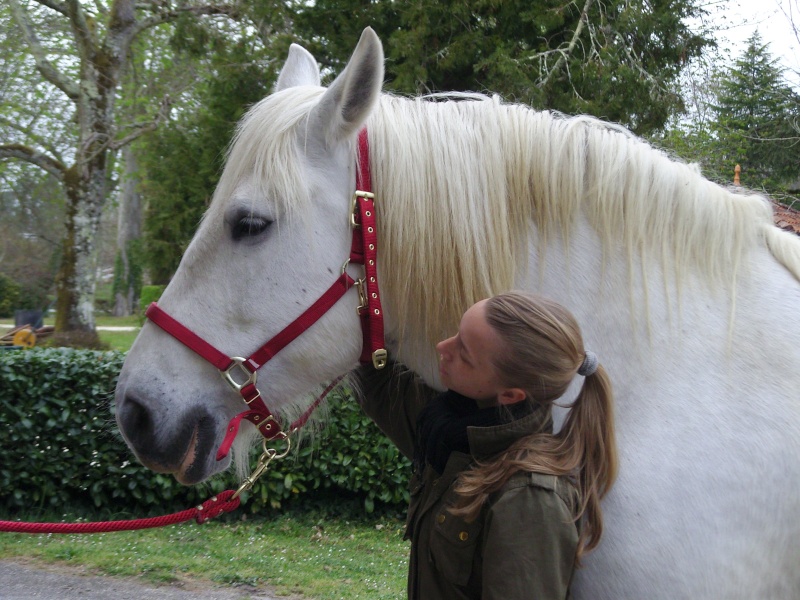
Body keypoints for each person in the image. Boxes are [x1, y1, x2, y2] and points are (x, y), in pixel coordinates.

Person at [354, 291, 618, 600]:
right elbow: (377, 381)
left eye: (464, 353)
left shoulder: (530, 501)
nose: (442, 347)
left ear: (510, 395)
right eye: (456, 333)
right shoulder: (451, 427)